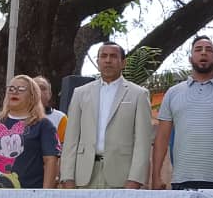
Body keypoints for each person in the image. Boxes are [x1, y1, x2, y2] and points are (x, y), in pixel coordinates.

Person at [151, 35, 213, 190]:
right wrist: (155, 176)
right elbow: (162, 138)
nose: (203, 53)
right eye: (198, 49)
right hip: (182, 179)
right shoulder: (173, 93)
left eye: (209, 50)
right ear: (190, 58)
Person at [59, 42, 153, 189]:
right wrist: (67, 176)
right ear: (98, 62)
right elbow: (71, 138)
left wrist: (135, 178)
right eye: (103, 56)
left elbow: (143, 142)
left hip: (122, 175)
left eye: (113, 56)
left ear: (123, 63)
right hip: (84, 175)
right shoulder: (80, 93)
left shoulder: (139, 94)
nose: (108, 60)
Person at [0, 75, 60, 188]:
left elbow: (50, 161)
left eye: (21, 89)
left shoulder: (44, 125)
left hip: (30, 196)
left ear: (32, 96)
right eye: (11, 89)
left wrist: (45, 196)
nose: (14, 92)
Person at [34, 76, 67, 143]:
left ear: (50, 94)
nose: (38, 91)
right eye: (34, 88)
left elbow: (64, 149)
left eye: (42, 88)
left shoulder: (60, 118)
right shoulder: (16, 116)